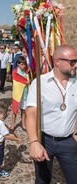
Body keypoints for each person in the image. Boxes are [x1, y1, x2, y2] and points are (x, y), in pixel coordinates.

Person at [26, 45, 77, 184]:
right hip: (45, 140)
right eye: (72, 62)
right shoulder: (40, 83)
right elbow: (31, 113)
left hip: (69, 142)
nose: (76, 65)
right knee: (42, 180)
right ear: (57, 62)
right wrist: (34, 142)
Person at [0, 100, 21, 184]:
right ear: (5, 113)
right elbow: (6, 136)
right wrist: (17, 139)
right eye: (7, 113)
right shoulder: (1, 124)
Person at [11, 56, 29, 131]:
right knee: (15, 110)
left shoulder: (27, 71)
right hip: (18, 94)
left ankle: (23, 124)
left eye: (24, 64)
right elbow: (17, 81)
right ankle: (12, 125)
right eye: (22, 64)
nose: (23, 66)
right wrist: (25, 81)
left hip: (25, 93)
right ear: (18, 64)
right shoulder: (15, 72)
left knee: (24, 110)